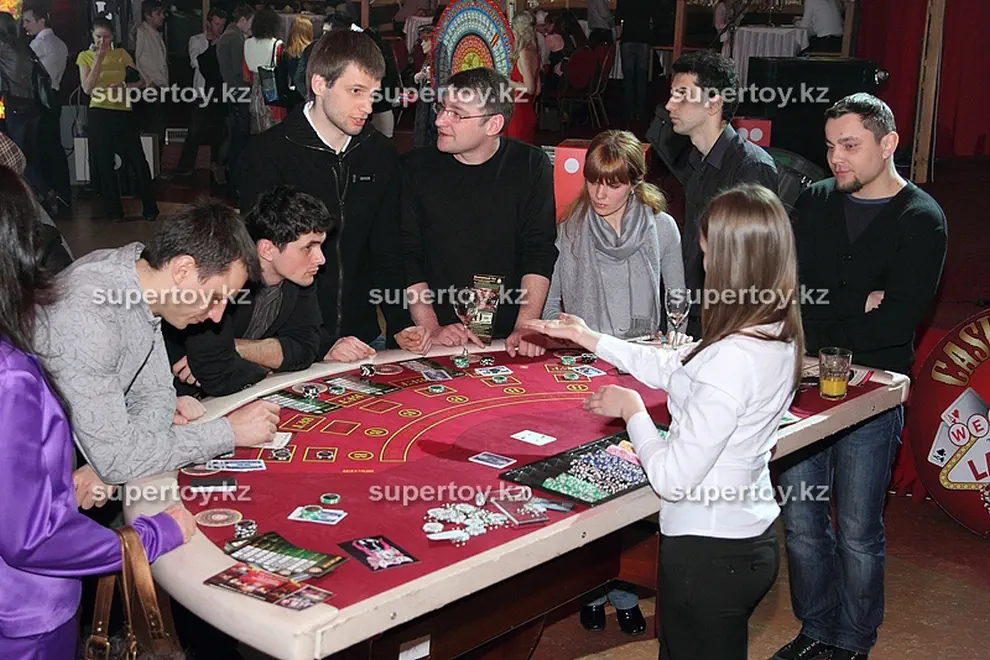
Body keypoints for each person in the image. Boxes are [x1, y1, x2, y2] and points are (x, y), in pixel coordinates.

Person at [525, 183, 804, 660]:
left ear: (734, 261)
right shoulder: (774, 333)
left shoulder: (732, 356)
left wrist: (633, 411)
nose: (703, 264)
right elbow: (676, 367)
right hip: (748, 539)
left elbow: (672, 479)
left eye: (708, 252)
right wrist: (591, 338)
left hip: (708, 552)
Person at [772, 94, 948, 660]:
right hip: (804, 387)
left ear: (888, 143)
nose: (836, 158)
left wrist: (836, 310)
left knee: (856, 528)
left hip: (874, 394)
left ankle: (853, 640)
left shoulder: (922, 219)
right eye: (830, 146)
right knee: (802, 521)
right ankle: (816, 629)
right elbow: (791, 295)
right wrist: (860, 302)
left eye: (850, 145)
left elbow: (896, 321)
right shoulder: (815, 200)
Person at [0, 165, 196, 659]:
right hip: (24, 614)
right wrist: (150, 536)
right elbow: (32, 540)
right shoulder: (12, 377)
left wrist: (58, 488)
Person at [33, 199, 282, 488]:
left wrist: (126, 453)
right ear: (183, 270)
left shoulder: (139, 281)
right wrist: (229, 432)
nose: (217, 316)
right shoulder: (89, 314)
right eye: (216, 298)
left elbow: (156, 395)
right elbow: (118, 460)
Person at [543, 130, 684, 634]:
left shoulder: (662, 227)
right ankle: (590, 587)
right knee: (587, 479)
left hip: (642, 369)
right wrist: (542, 335)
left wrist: (671, 343)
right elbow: (554, 297)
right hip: (586, 366)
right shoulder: (571, 228)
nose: (601, 193)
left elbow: (678, 300)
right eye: (594, 181)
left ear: (634, 183)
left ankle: (624, 587)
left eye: (614, 183)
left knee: (632, 480)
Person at [240, 28, 410, 361]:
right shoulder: (266, 155)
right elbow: (267, 262)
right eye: (356, 91)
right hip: (288, 344)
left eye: (373, 94)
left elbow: (387, 247)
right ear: (320, 84)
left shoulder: (380, 154)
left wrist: (401, 323)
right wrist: (321, 343)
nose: (367, 106)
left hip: (364, 338)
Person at [398, 67, 558, 357]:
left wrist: (525, 327)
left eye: (456, 114)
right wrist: (430, 327)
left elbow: (539, 250)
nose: (439, 120)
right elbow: (407, 254)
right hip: (438, 336)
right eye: (441, 108)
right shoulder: (414, 168)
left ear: (493, 124)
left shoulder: (530, 166)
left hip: (507, 335)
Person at [646, 50, 778, 338]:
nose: (669, 105)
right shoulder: (696, 162)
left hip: (727, 324)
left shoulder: (750, 167)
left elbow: (753, 268)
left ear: (714, 103)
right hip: (694, 316)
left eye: (682, 95)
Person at [165, 186, 330, 397]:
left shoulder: (299, 278)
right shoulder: (220, 276)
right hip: (173, 393)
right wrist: (265, 364)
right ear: (267, 249)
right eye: (308, 247)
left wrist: (236, 349)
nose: (321, 259)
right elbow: (216, 371)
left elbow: (305, 349)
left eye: (320, 246)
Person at [76, 18, 159, 222]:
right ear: (92, 36)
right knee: (105, 162)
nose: (102, 41)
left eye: (106, 37)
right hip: (99, 111)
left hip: (122, 110)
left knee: (137, 159)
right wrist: (98, 60)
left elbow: (141, 81)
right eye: (98, 37)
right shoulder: (85, 56)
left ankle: (150, 207)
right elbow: (87, 88)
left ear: (112, 37)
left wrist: (125, 86)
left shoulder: (121, 54)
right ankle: (114, 211)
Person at [22, 2, 71, 213]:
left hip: (40, 101)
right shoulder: (60, 44)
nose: (24, 26)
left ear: (41, 20)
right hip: (54, 98)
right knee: (55, 149)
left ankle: (49, 199)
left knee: (40, 152)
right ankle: (63, 197)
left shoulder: (37, 45)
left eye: (28, 21)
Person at [174, 6, 228, 178]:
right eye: (216, 24)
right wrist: (214, 48)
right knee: (195, 130)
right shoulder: (196, 40)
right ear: (208, 23)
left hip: (220, 92)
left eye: (222, 25)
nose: (219, 28)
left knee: (220, 131)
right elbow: (196, 62)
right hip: (201, 92)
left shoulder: (226, 42)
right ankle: (185, 167)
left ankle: (216, 167)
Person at [216, 4, 255, 199]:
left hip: (231, 92)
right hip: (240, 92)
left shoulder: (226, 36)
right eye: (251, 21)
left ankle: (231, 179)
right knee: (240, 139)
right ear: (244, 19)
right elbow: (240, 69)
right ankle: (236, 182)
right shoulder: (236, 38)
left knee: (234, 137)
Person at [616, 0, 664, 122]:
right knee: (642, 77)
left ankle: (629, 111)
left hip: (628, 38)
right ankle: (640, 111)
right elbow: (656, 18)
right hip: (643, 39)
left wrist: (618, 36)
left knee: (628, 78)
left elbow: (617, 18)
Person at [134, 1, 169, 171]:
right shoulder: (141, 32)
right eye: (158, 13)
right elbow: (135, 60)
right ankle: (151, 169)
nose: (162, 17)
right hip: (150, 88)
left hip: (160, 86)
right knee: (153, 129)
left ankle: (156, 167)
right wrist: (148, 82)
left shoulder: (155, 33)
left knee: (159, 129)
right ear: (148, 15)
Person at [506, 11, 540, 145]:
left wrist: (508, 82)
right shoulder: (535, 52)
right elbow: (538, 90)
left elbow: (530, 88)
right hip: (528, 110)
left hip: (517, 112)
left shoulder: (523, 53)